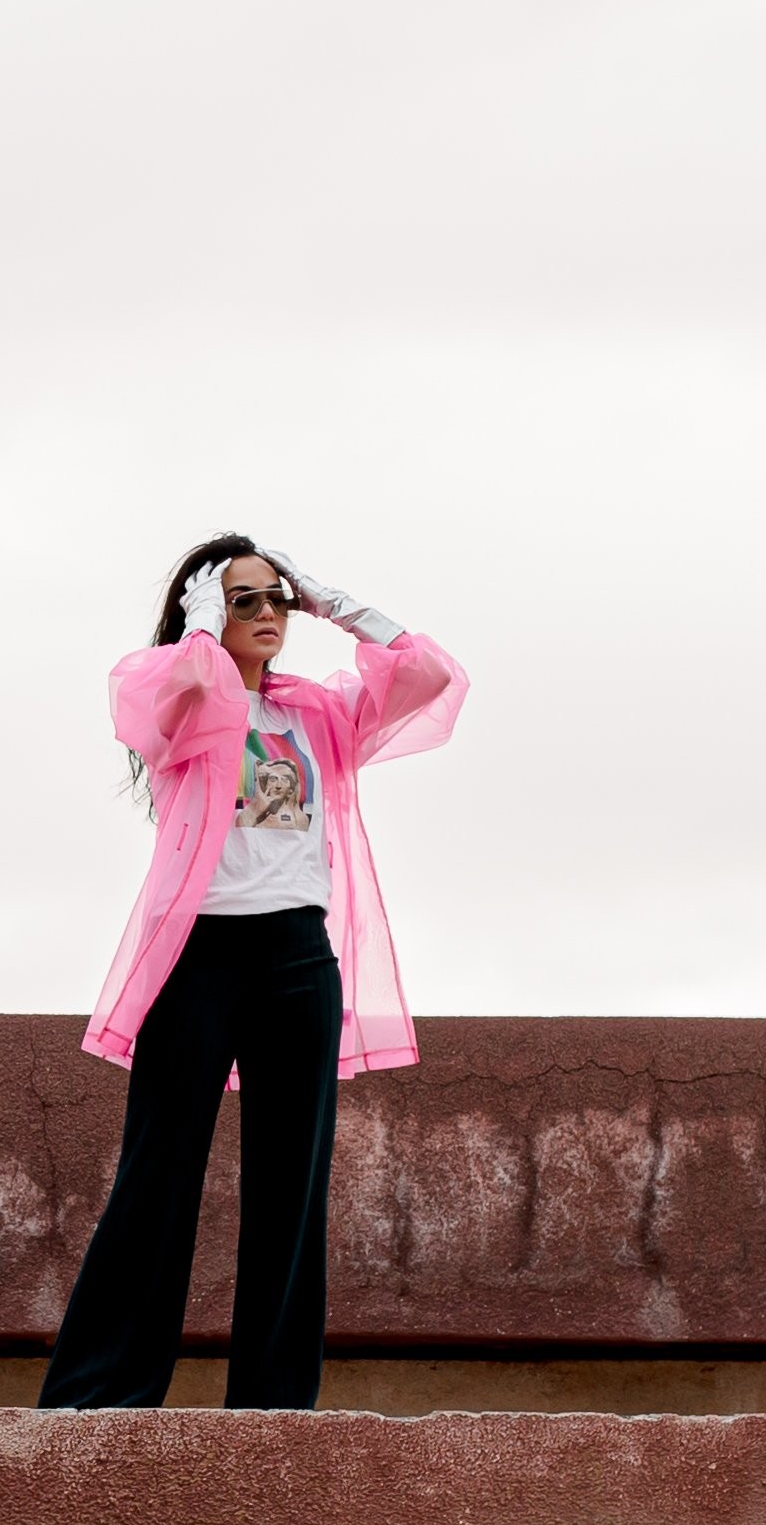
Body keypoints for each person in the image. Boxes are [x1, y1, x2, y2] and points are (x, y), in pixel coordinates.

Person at [36, 534, 466, 1410]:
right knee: (158, 1172)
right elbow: (171, 688)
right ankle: (100, 1397)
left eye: (278, 599)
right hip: (198, 956)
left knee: (291, 1188)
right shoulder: (182, 701)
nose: (268, 614)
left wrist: (336, 603)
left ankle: (274, 1409)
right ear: (206, 615)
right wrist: (199, 627)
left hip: (298, 959)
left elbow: (427, 677)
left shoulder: (318, 714)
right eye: (245, 601)